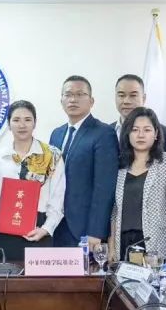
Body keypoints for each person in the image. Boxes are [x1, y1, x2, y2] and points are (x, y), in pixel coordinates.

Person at [0, 101, 66, 261]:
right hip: (6, 227)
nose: (22, 125)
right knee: (5, 275)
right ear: (8, 125)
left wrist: (46, 229)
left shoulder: (52, 155)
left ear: (35, 123)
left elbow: (58, 198)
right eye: (16, 120)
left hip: (39, 228)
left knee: (38, 277)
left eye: (28, 119)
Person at [50, 76, 119, 248]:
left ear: (91, 101)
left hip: (85, 229)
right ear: (61, 100)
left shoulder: (103, 133)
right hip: (55, 225)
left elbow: (104, 187)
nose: (73, 99)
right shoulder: (56, 134)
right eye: (68, 94)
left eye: (80, 94)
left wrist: (96, 231)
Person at [111, 107, 166, 261]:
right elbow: (114, 211)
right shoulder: (119, 165)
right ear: (127, 134)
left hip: (155, 243)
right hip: (123, 242)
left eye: (147, 130)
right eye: (135, 130)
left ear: (156, 133)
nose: (141, 135)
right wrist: (111, 245)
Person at [110, 74, 166, 150]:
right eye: (121, 95)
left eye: (133, 95)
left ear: (143, 98)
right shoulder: (106, 132)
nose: (126, 101)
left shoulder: (165, 133)